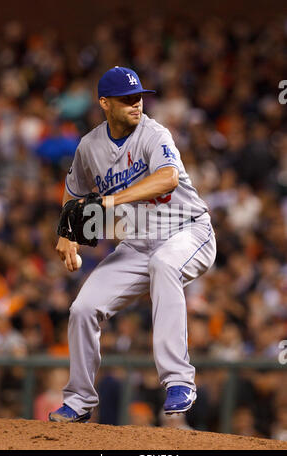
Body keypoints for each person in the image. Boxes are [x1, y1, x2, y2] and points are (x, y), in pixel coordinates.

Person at [49, 66, 217, 423]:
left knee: (164, 265)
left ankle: (178, 382)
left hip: (188, 231)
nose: (135, 104)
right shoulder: (90, 146)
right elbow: (75, 193)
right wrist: (66, 234)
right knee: (83, 309)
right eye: (126, 99)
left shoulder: (154, 134)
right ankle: (79, 399)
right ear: (104, 103)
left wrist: (111, 201)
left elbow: (167, 178)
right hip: (137, 245)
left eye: (138, 97)